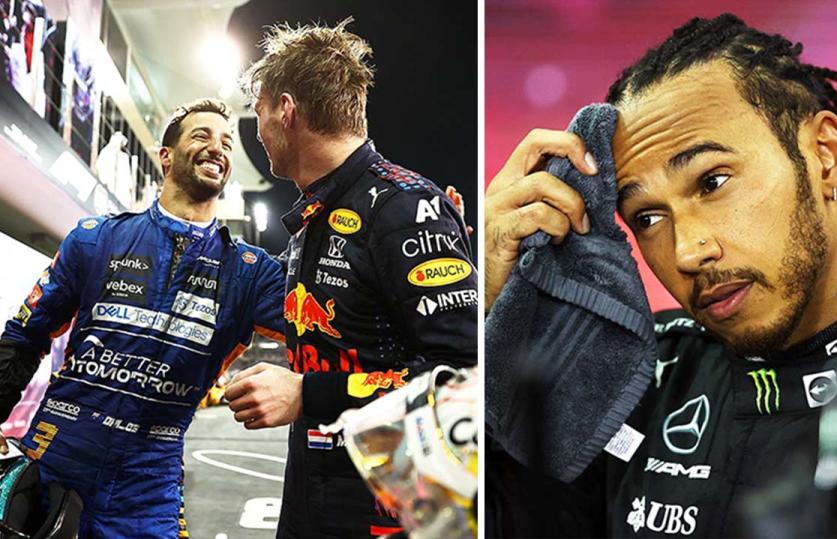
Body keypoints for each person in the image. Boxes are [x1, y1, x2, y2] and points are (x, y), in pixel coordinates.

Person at [484, 13, 837, 537]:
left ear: (825, 155)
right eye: (647, 217)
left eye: (712, 182)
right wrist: (491, 308)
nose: (688, 251)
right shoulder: (627, 377)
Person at [222, 20, 478, 538]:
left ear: (287, 111)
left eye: (259, 113)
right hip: (316, 497)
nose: (258, 129)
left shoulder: (404, 206)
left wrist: (306, 393)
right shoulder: (314, 219)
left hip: (396, 506)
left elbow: (466, 376)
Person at [0, 98, 286, 538]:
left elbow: (328, 323)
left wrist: (302, 386)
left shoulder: (250, 272)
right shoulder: (95, 240)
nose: (218, 148)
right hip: (55, 462)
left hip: (148, 488)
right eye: (202, 136)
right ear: (166, 156)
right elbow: (23, 338)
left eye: (227, 142)